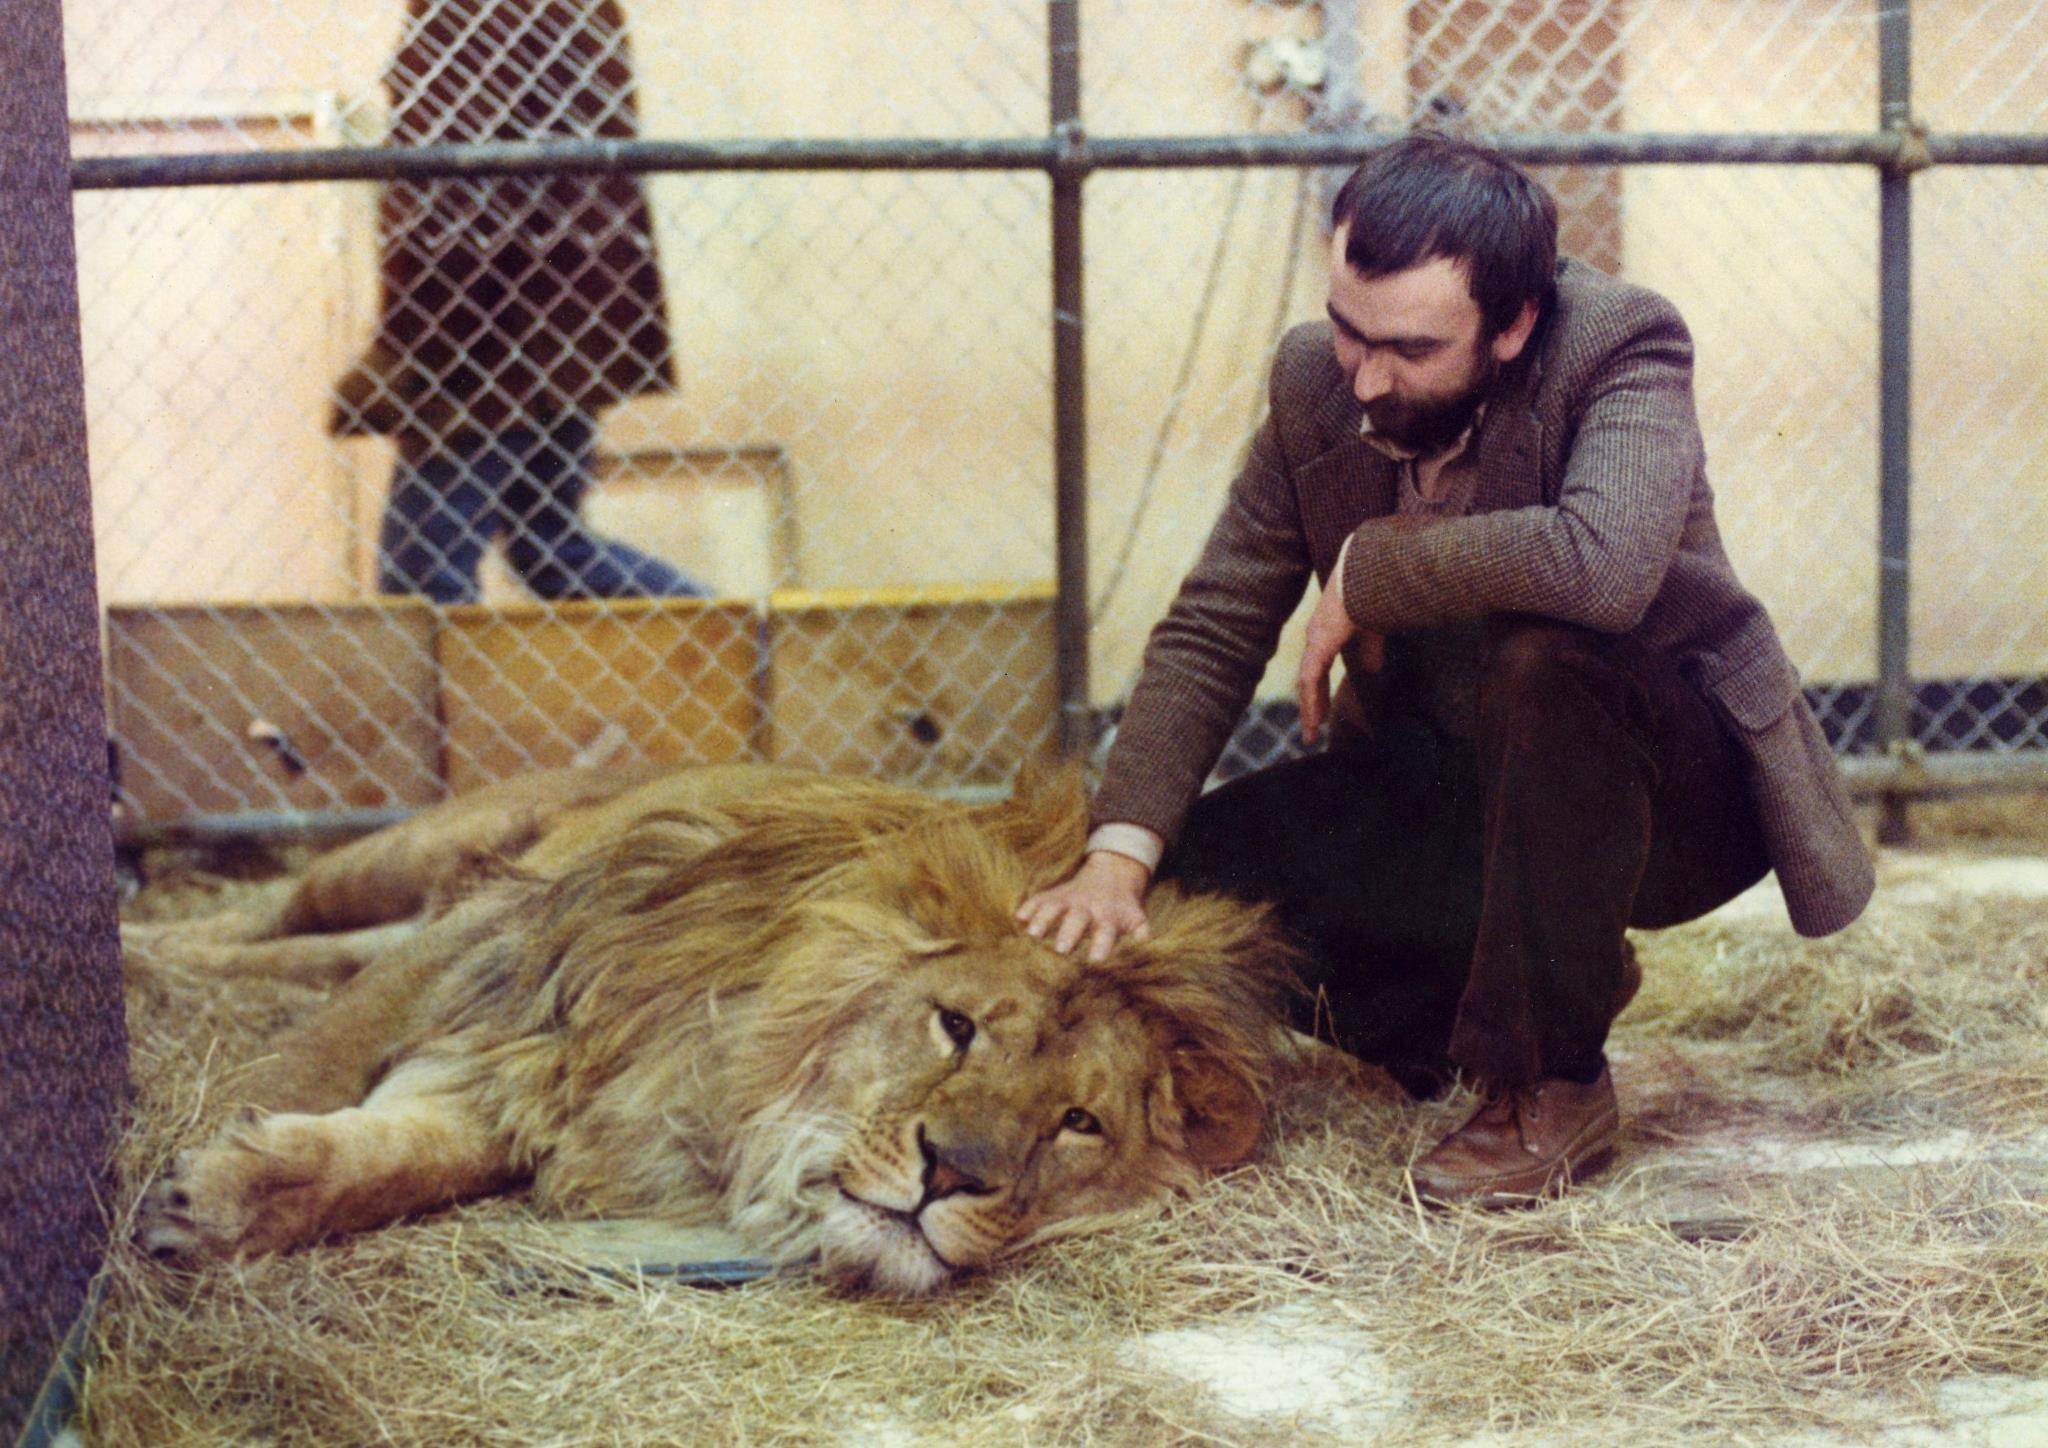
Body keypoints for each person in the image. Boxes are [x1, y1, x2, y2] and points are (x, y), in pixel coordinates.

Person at [1017, 132, 1874, 1206]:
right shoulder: (1311, 380)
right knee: (1195, 884)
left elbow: (1600, 568)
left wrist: (1372, 571)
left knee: (1545, 658)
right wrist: (1116, 853)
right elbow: (1214, 622)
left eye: (1409, 350)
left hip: (1665, 785)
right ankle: (1486, 1004)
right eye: (1345, 330)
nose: (1366, 379)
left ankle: (1547, 1080)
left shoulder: (1619, 342)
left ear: (1511, 324)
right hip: (1456, 771)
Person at [331, 0, 707, 603]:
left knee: (420, 581)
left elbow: (452, 197)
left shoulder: (466, 12)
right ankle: (738, 644)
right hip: (569, 322)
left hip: (485, 339)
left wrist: (408, 347)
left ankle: (734, 644)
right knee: (553, 549)